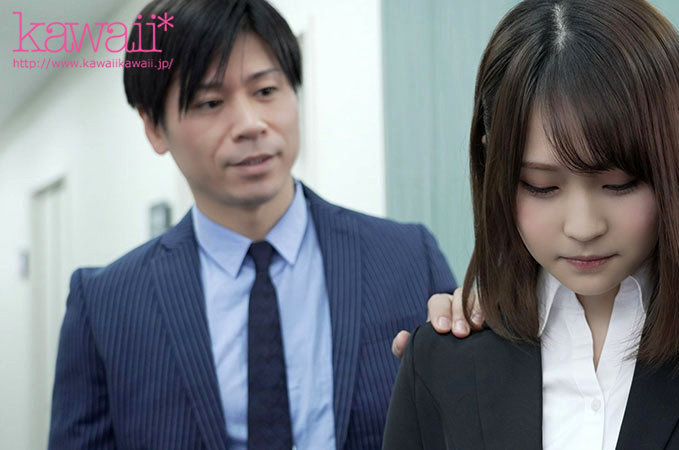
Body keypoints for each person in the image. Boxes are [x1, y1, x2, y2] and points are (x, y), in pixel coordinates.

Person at [383, 0, 679, 449]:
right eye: (541, 186)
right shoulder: (444, 362)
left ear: (677, 161)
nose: (583, 228)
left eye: (619, 184)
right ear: (493, 166)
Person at [48, 0, 456, 448]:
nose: (249, 124)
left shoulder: (407, 257)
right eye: (210, 102)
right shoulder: (106, 306)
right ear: (154, 127)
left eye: (265, 91)